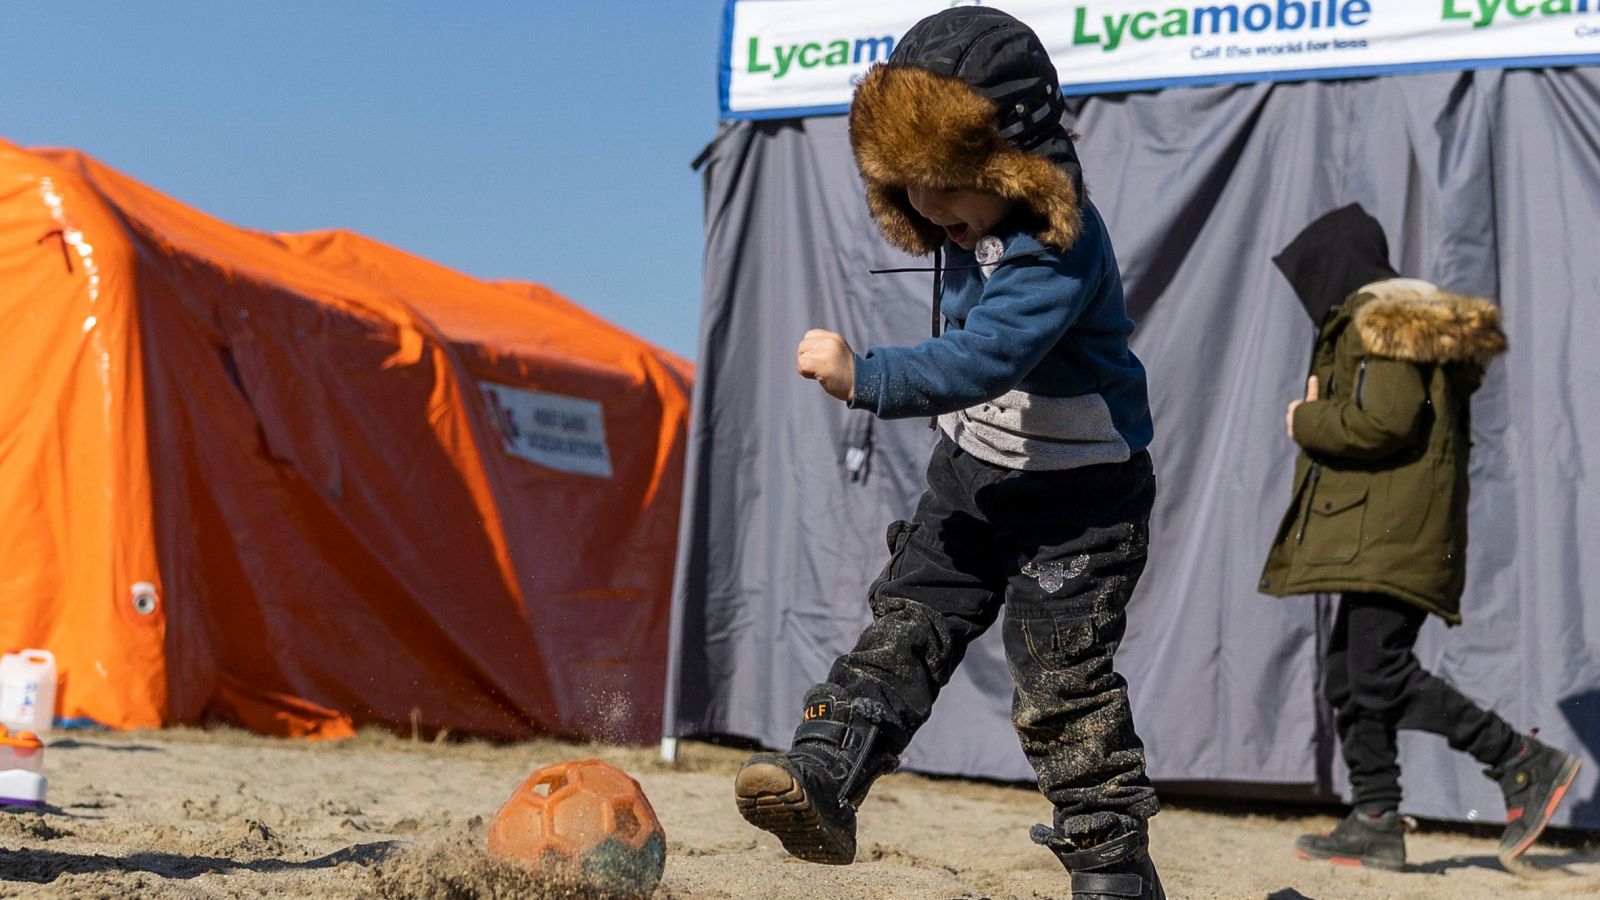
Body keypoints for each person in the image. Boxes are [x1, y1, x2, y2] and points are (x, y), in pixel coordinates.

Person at [730, 8, 1164, 899]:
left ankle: (1112, 866)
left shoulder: (1057, 243)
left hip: (1079, 499)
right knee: (908, 619)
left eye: (949, 185)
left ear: (1014, 160)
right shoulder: (965, 224)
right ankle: (823, 777)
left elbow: (986, 356)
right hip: (972, 478)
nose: (930, 210)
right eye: (909, 189)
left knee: (1061, 683)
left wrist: (868, 376)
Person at [1261, 204, 1581, 871]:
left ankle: (1522, 761)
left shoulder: (1382, 323)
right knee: (1349, 675)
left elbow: (1385, 420)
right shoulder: (1394, 324)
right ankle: (1376, 816)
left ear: (1335, 268)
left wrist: (1308, 419)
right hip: (1386, 527)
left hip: (1393, 531)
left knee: (1376, 673)